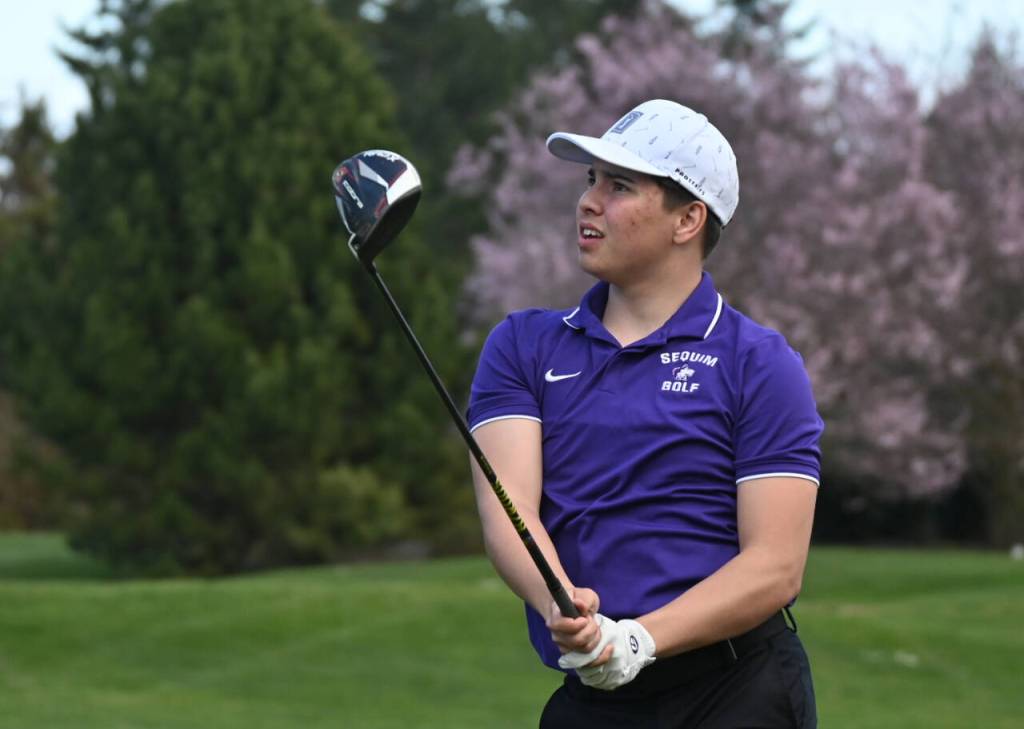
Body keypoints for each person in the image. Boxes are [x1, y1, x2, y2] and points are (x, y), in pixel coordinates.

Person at [466, 98, 823, 728]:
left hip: (736, 693)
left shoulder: (760, 363)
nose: (589, 201)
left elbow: (775, 564)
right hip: (593, 697)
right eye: (590, 181)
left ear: (688, 219)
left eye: (621, 186)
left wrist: (637, 641)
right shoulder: (523, 345)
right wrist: (562, 602)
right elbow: (511, 507)